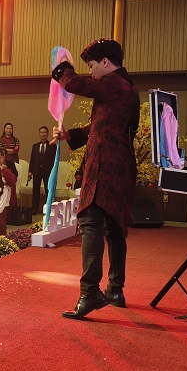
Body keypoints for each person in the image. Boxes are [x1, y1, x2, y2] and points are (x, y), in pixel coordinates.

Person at [52, 38, 140, 319]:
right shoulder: (127, 87)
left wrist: (62, 69)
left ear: (105, 62)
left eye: (91, 65)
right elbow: (101, 124)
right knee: (114, 227)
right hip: (121, 166)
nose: (90, 72)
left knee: (90, 222)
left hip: (105, 164)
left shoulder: (113, 82)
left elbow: (77, 84)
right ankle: (115, 289)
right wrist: (71, 135)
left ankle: (89, 293)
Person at [28, 126, 58, 215]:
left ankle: (49, 208)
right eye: (41, 132)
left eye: (45, 132)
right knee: (35, 190)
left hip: (47, 171)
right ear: (39, 134)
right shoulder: (35, 146)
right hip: (36, 171)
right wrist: (30, 171)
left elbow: (54, 160)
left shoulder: (52, 145)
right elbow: (32, 159)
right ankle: (34, 209)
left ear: (48, 134)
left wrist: (53, 171)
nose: (43, 134)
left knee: (48, 190)